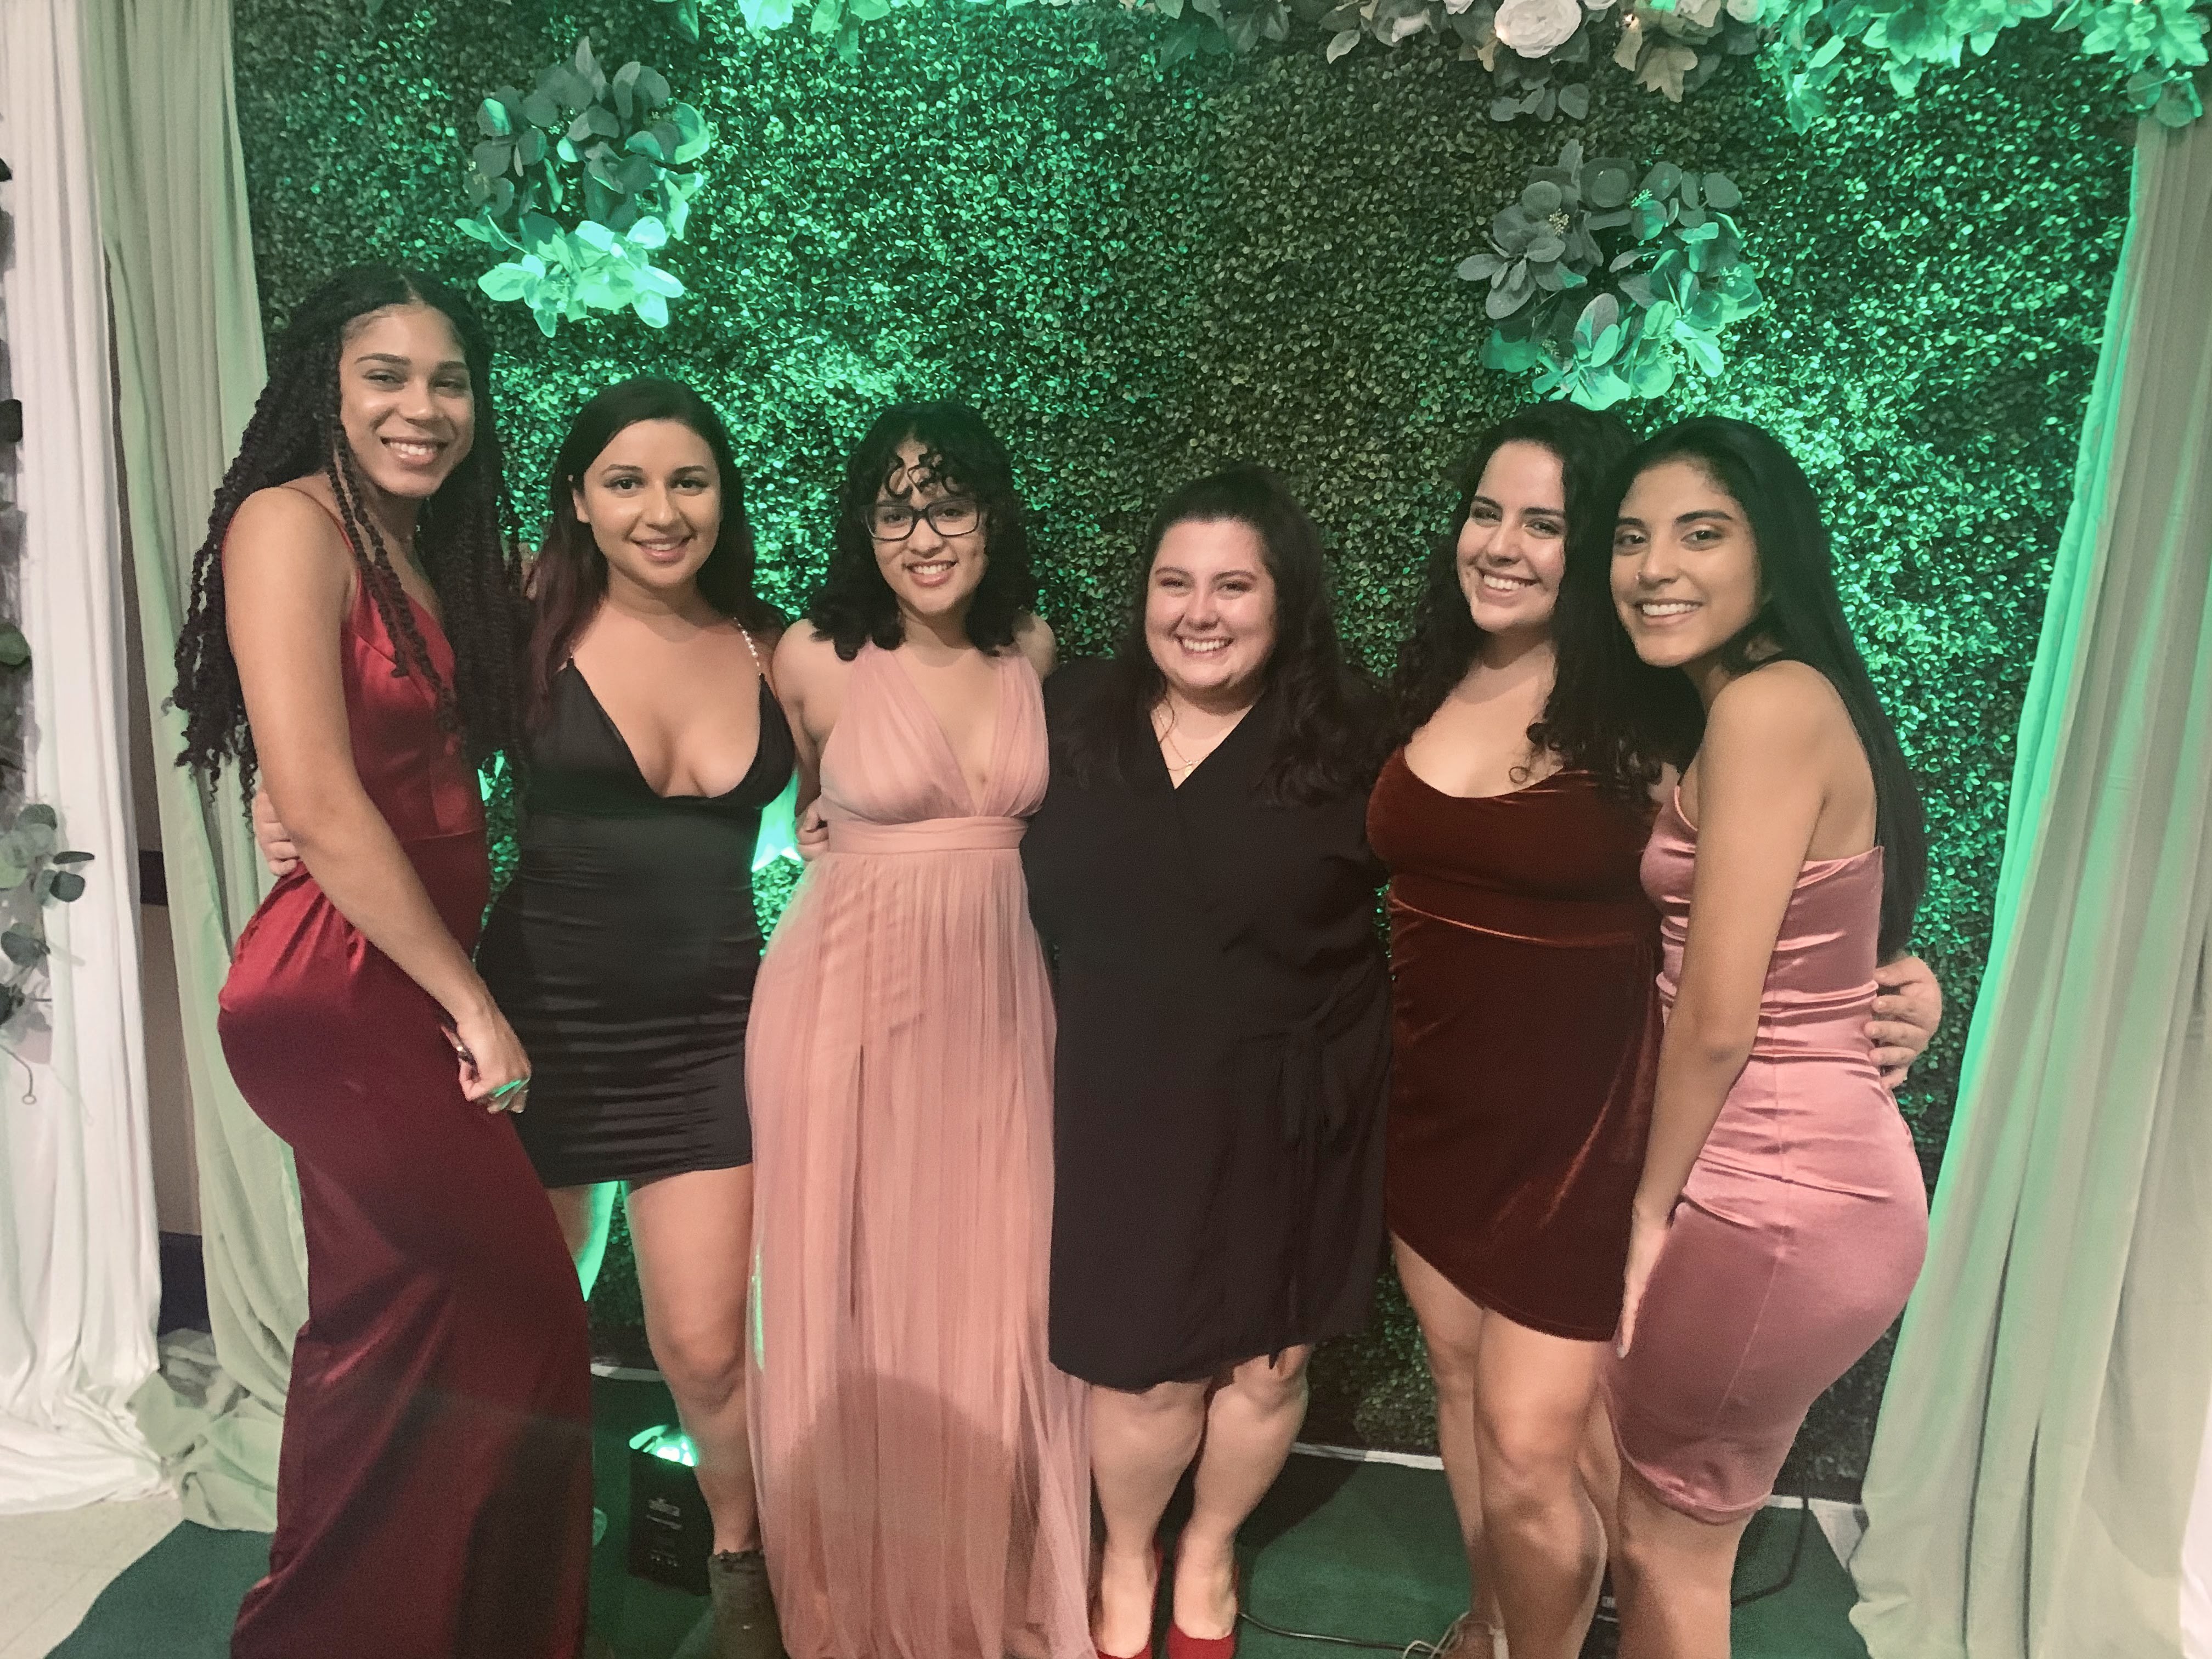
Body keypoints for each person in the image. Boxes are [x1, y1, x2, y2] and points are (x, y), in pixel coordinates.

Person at [1369, 404, 1943, 1659]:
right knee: (1495, 1421)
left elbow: (1788, 915)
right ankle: (1491, 1626)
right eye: (1484, 511)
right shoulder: (1431, 683)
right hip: (1438, 1110)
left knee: (1593, 1486)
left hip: (1609, 1145)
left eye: (1550, 523)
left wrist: (1899, 981)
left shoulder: (1670, 711)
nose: (1504, 545)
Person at [253, 376, 798, 1659]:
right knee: (519, 1340)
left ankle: (745, 1579)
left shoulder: (780, 648)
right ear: (578, 500)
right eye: (626, 482)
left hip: (712, 1038)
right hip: (532, 1029)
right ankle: (514, 1570)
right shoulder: (518, 627)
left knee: (708, 1351)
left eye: (689, 481)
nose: (660, 511)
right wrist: (288, 810)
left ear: (725, 493)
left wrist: (835, 826)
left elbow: (856, 790)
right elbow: (382, 741)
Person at [173, 264, 591, 1658]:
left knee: (399, 1332)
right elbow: (325, 794)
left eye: (451, 380)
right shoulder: (288, 526)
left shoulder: (431, 547)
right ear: (325, 389)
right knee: (520, 1318)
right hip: (341, 989)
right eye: (387, 376)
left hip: (390, 974)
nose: (425, 407)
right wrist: (473, 1002)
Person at [1023, 466, 1393, 1659]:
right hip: (1120, 1096)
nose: (1200, 611)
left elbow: (1492, 870)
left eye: (1235, 585)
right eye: (1174, 582)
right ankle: (1127, 1552)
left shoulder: (1356, 736)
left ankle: (1212, 1547)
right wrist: (834, 824)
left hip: (1292, 1103)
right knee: (1142, 1374)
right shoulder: (1068, 712)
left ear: (1287, 602)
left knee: (1267, 1365)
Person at [746, 401, 1089, 1659]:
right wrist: (827, 829)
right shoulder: (811, 657)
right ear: (863, 526)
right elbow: (777, 812)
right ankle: (848, 1598)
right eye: (896, 508)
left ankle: (974, 1581)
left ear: (992, 517)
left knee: (998, 1277)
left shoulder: (1034, 654)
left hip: (999, 1011)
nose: (924, 534)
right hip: (845, 1002)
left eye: (948, 504)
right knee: (853, 1284)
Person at [1598, 416, 1932, 1656]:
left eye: (1701, 533)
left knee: (1668, 1547)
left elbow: (1720, 1021)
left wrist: (1648, 1213)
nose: (1655, 568)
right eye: (1631, 540)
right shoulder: (1767, 706)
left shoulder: (1768, 708)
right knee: (1677, 1528)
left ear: (1769, 554)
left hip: (1770, 1193)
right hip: (1812, 1187)